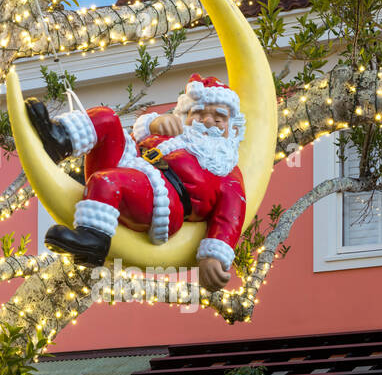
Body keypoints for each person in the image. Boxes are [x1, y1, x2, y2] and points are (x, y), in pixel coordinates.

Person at [25, 73, 246, 292]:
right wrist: (155, 123)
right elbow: (138, 137)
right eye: (198, 114)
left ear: (233, 128)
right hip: (132, 161)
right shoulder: (175, 134)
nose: (207, 121)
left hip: (164, 197)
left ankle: (93, 240)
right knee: (108, 117)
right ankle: (59, 140)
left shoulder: (226, 169)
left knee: (106, 181)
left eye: (218, 119)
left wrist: (214, 257)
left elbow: (229, 216)